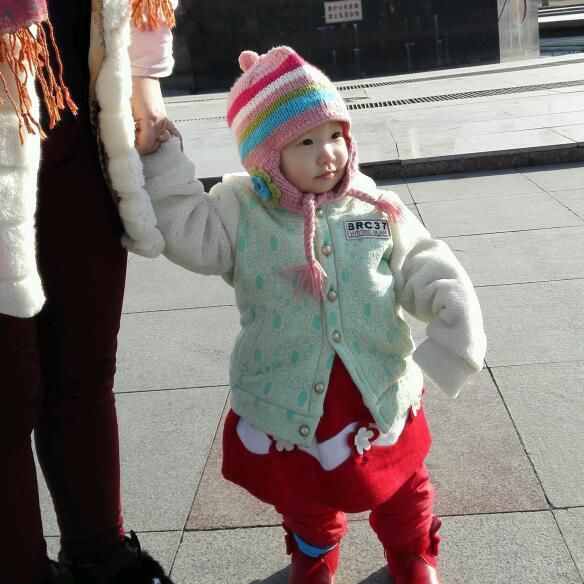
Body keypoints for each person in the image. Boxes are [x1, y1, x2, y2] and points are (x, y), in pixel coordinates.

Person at [139, 46, 487, 584]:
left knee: (403, 482)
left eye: (335, 135)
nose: (328, 154)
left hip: (376, 387)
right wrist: (163, 159)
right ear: (265, 157)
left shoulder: (373, 207)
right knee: (304, 493)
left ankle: (412, 553)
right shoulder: (240, 214)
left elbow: (423, 262)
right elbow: (186, 229)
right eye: (305, 142)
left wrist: (454, 329)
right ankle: (315, 552)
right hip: (290, 393)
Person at [0, 1, 180, 583]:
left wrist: (145, 87)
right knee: (7, 388)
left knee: (84, 365)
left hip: (82, 98)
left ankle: (101, 557)